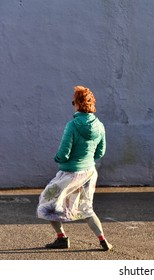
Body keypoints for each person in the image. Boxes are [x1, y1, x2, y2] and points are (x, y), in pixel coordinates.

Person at [36, 85, 112, 251]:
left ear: (78, 104)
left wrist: (58, 159)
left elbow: (64, 153)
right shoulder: (100, 125)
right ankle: (103, 240)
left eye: (73, 102)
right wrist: (86, 159)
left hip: (70, 173)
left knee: (48, 202)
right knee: (86, 207)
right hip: (89, 172)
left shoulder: (72, 125)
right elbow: (100, 152)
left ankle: (61, 238)